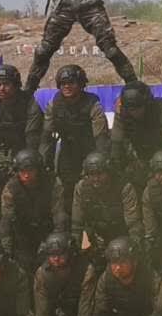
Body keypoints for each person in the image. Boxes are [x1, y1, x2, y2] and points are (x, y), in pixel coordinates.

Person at [66, 237, 155, 316]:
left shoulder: (149, 277)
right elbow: (99, 313)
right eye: (114, 263)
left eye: (122, 263)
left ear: (134, 262)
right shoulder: (105, 280)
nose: (117, 268)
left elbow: (159, 311)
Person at [39, 64, 110, 220]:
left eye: (71, 82)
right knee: (66, 191)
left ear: (81, 84)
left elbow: (101, 137)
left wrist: (101, 162)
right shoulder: (54, 104)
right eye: (63, 83)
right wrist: (43, 162)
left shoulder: (93, 104)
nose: (67, 86)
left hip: (90, 150)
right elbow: (46, 137)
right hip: (68, 151)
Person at [110, 82, 162, 195]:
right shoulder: (122, 111)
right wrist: (116, 168)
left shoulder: (160, 109)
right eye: (131, 109)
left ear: (147, 103)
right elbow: (116, 141)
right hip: (139, 152)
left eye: (138, 108)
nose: (134, 112)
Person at [0, 149, 66, 273]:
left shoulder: (52, 183)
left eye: (30, 170)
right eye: (22, 171)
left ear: (38, 170)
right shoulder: (11, 188)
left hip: (48, 229)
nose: (26, 175)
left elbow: (59, 215)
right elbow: (6, 221)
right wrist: (6, 250)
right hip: (23, 233)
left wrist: (57, 241)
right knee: (23, 265)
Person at [30, 231, 91, 316]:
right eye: (52, 255)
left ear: (70, 253)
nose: (56, 259)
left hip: (82, 310)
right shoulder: (42, 274)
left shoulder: (85, 270)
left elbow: (85, 308)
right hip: (62, 310)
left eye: (60, 254)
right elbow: (42, 310)